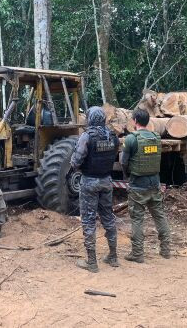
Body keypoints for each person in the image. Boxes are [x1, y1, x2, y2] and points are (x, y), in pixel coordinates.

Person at [70, 106, 120, 272]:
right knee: (108, 217)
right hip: (107, 181)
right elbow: (115, 155)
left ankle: (92, 262)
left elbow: (76, 162)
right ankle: (113, 257)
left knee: (88, 220)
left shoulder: (87, 136)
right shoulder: (112, 135)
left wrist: (77, 166)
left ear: (90, 118)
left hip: (89, 182)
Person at [120, 108, 170, 262]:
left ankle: (137, 254)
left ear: (135, 121)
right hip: (154, 183)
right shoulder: (156, 137)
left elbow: (123, 162)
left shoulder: (131, 139)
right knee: (160, 216)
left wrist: (128, 173)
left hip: (138, 185)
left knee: (137, 219)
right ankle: (166, 250)